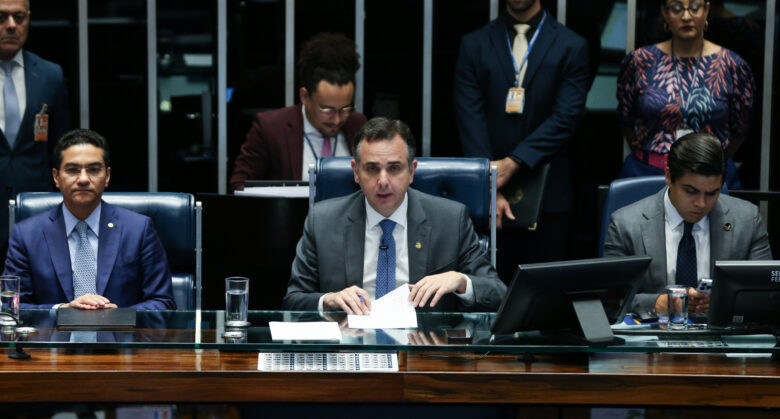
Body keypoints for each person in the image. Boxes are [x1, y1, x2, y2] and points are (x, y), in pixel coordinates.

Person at [282, 117, 506, 313]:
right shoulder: (322, 221)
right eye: (371, 168)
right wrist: (328, 300)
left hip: (423, 349)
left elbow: (498, 294)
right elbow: (293, 301)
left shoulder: (450, 220)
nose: (383, 181)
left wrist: (460, 281)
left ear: (412, 171)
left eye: (394, 168)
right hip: (350, 346)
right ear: (355, 172)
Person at [453, 0, 590, 282]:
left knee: (545, 293)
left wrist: (515, 162)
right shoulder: (474, 44)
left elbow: (566, 117)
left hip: (549, 192)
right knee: (488, 290)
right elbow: (470, 118)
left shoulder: (571, 45)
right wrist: (489, 184)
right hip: (487, 195)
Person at [3, 129, 176, 310]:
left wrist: (119, 317)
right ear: (56, 177)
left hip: (119, 337)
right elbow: (11, 306)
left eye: (93, 170)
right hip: (54, 338)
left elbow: (164, 303)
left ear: (107, 176)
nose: (84, 179)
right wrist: (61, 311)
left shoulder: (138, 229)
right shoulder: (26, 235)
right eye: (72, 170)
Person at [604, 133, 771, 316]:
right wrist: (656, 303)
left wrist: (723, 301)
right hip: (654, 336)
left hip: (721, 336)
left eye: (712, 193)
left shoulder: (747, 220)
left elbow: (766, 294)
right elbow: (610, 300)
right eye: (690, 191)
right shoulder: (626, 224)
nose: (701, 203)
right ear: (668, 176)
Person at [617, 0, 755, 190]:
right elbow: (626, 120)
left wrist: (708, 160)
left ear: (707, 10)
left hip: (711, 178)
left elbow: (740, 129)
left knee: (726, 221)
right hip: (647, 173)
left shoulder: (732, 65)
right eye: (676, 8)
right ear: (665, 13)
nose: (686, 16)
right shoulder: (640, 60)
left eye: (695, 7)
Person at [230, 32, 367, 191]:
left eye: (345, 109)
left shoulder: (358, 126)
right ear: (304, 96)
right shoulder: (271, 128)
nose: (336, 120)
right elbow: (239, 185)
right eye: (327, 109)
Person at [0, 0, 71, 261]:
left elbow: (61, 147)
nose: (11, 26)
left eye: (19, 17)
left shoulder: (50, 75)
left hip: (35, 211)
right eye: (2, 17)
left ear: (29, 19)